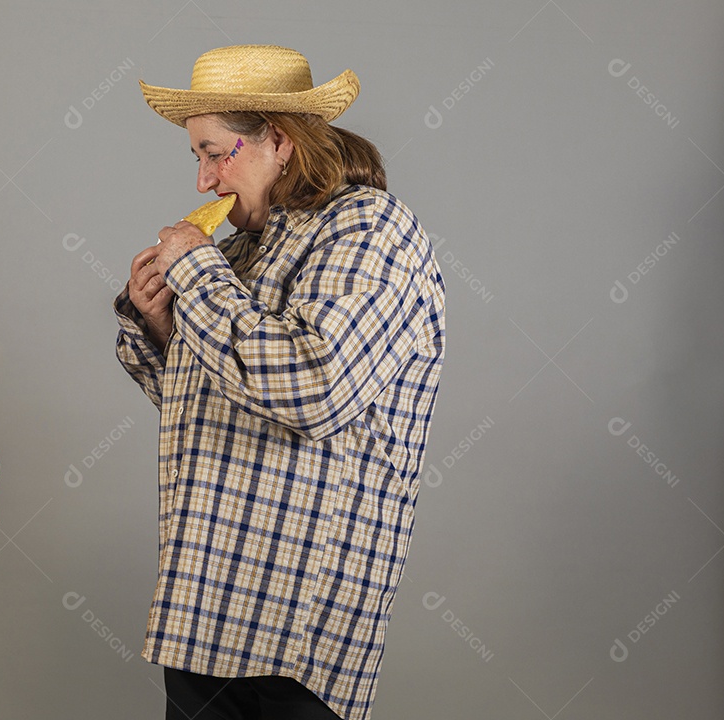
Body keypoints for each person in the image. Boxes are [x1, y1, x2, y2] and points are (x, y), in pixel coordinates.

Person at [115, 45, 446, 720]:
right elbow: (220, 410)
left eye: (217, 152)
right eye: (196, 158)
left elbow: (312, 389)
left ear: (281, 142)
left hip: (298, 622)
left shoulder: (369, 227)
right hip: (205, 605)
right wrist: (160, 326)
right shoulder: (238, 251)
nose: (204, 182)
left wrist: (200, 279)